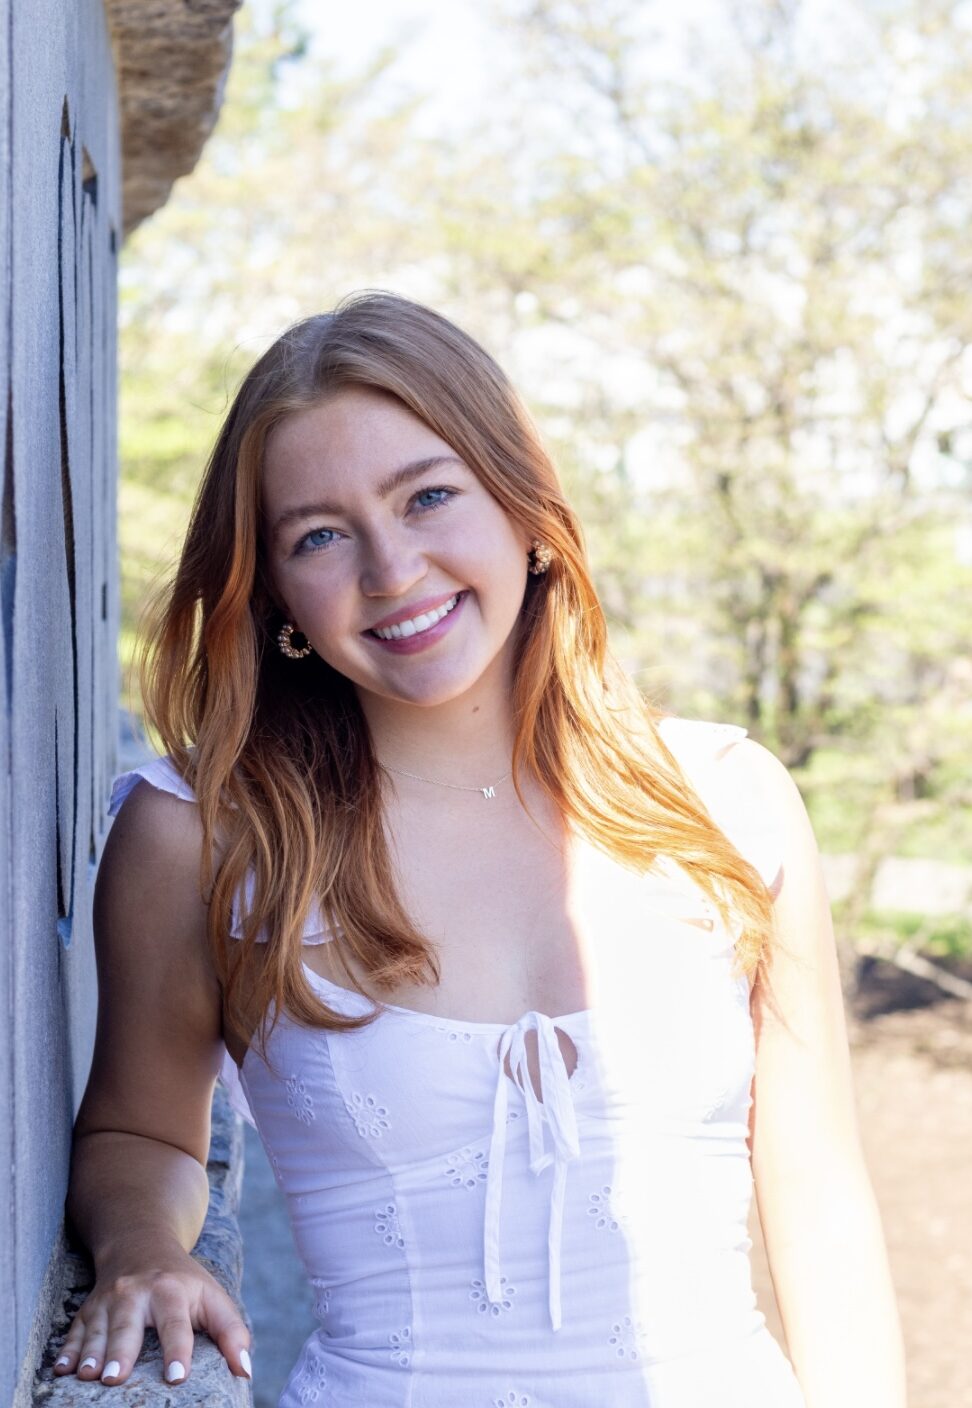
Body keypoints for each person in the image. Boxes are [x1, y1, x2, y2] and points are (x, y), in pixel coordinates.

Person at [55, 291, 905, 1406]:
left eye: (429, 496)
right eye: (319, 534)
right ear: (274, 596)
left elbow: (821, 1204)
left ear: (525, 505)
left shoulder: (729, 805)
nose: (393, 568)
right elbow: (139, 1131)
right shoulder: (206, 834)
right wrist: (144, 1248)